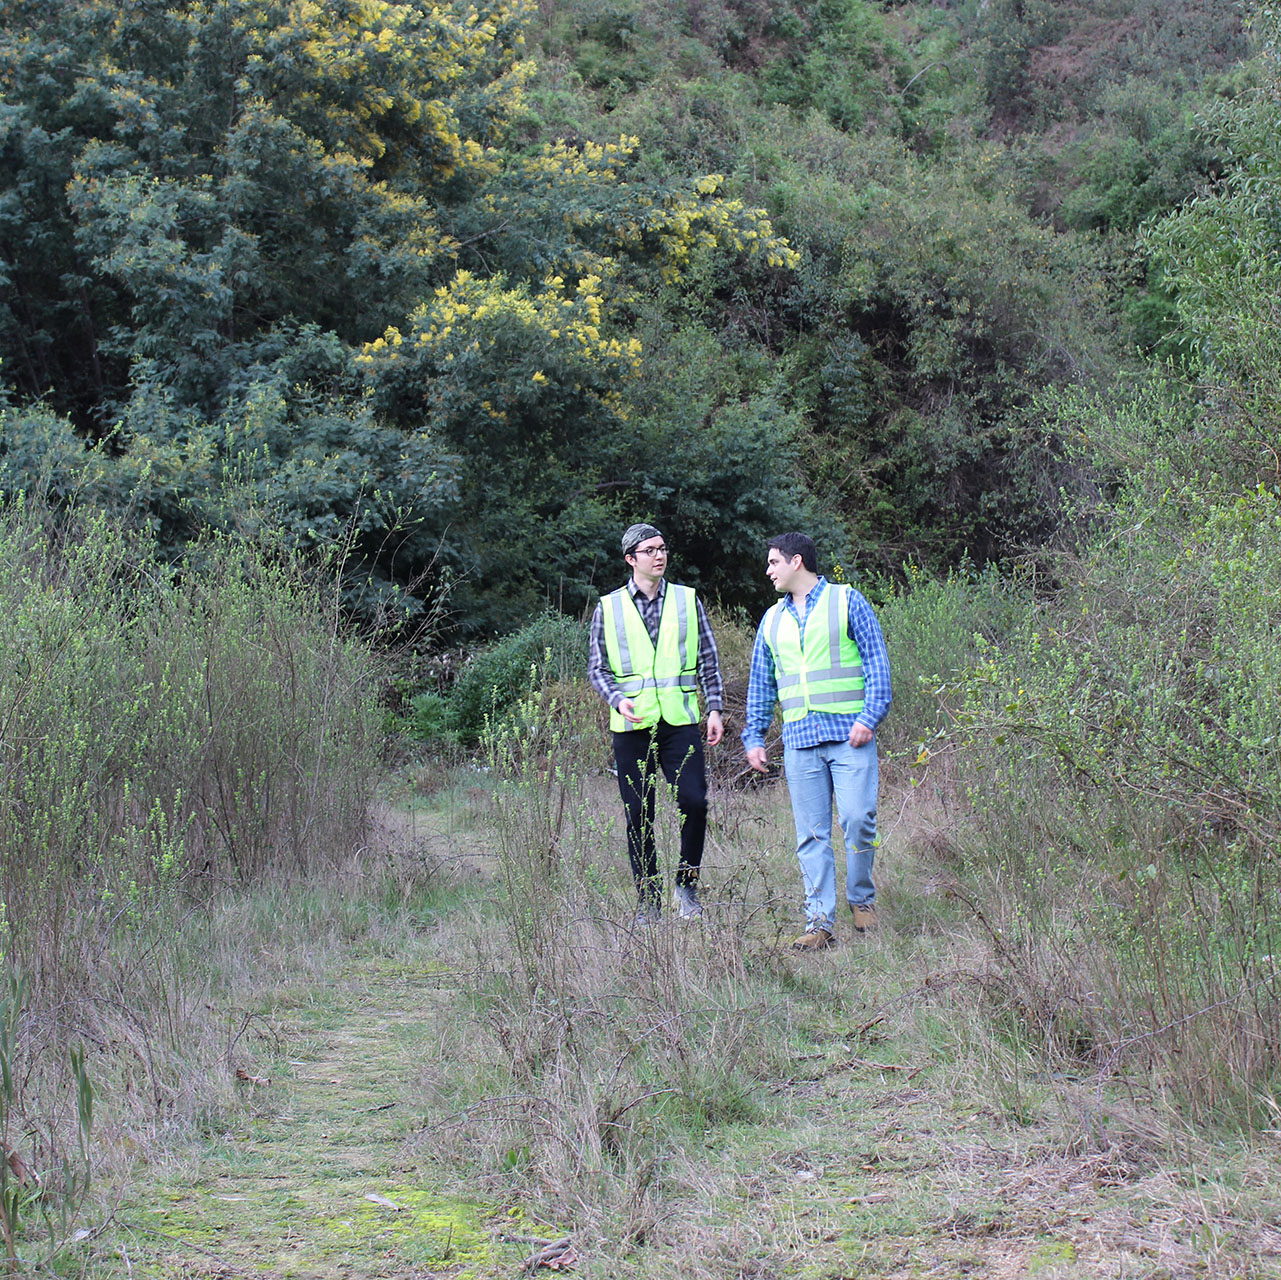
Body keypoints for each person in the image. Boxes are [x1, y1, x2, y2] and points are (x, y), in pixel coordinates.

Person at [742, 532, 892, 951]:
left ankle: (861, 899)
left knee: (859, 819)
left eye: (773, 562)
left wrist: (869, 717)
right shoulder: (771, 620)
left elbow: (877, 663)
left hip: (851, 738)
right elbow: (761, 686)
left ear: (796, 562)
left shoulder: (847, 601)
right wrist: (754, 737)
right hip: (801, 743)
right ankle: (820, 923)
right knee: (811, 835)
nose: (768, 570)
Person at [588, 523, 724, 923]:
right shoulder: (608, 607)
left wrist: (714, 708)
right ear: (631, 559)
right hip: (631, 727)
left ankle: (687, 886)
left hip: (679, 722)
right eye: (649, 550)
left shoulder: (687, 600)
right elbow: (597, 668)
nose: (659, 556)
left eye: (663, 548)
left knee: (695, 802)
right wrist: (617, 699)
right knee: (638, 814)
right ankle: (649, 901)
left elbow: (709, 659)